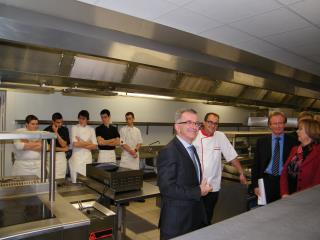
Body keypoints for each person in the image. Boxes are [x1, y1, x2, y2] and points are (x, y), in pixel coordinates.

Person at [157, 108, 212, 240]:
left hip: (193, 218)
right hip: (178, 222)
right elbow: (167, 188)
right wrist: (198, 191)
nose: (194, 127)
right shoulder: (169, 151)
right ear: (177, 127)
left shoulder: (191, 148)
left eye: (196, 123)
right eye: (188, 122)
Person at [193, 112, 247, 224]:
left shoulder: (220, 136)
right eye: (210, 122)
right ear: (204, 122)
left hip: (213, 186)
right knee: (195, 216)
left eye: (215, 123)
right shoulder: (194, 136)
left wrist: (241, 173)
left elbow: (232, 156)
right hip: (196, 185)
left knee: (208, 215)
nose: (213, 125)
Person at [252, 111, 298, 203]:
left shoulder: (294, 142)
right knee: (266, 211)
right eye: (275, 123)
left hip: (286, 182)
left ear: (284, 124)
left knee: (286, 210)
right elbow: (256, 165)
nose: (278, 126)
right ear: (270, 125)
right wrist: (255, 185)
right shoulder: (261, 142)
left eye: (280, 123)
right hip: (266, 182)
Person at [280, 119, 320, 197]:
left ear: (310, 132)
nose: (297, 131)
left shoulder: (318, 152)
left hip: (307, 199)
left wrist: (299, 198)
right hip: (288, 196)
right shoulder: (295, 149)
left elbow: (317, 183)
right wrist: (284, 193)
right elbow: (284, 172)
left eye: (300, 129)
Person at [69, 110, 97, 183]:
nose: (81, 120)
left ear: (87, 119)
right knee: (75, 182)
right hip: (76, 159)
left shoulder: (91, 129)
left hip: (87, 158)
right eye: (80, 118)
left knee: (86, 182)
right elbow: (75, 144)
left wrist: (81, 142)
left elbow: (95, 146)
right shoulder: (74, 128)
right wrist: (88, 143)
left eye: (83, 119)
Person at [44, 112, 70, 180]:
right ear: (53, 121)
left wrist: (56, 133)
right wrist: (62, 149)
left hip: (61, 157)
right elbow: (47, 147)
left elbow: (64, 144)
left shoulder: (65, 129)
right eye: (58, 122)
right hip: (50, 156)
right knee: (51, 178)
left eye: (61, 122)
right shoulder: (46, 131)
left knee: (61, 178)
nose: (60, 124)